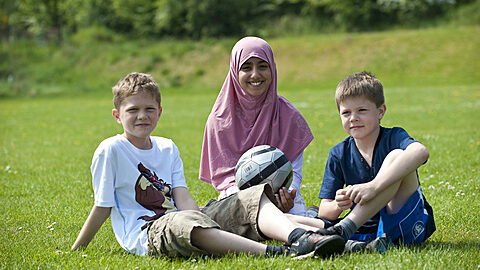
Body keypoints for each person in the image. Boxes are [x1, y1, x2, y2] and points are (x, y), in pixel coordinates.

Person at [71, 72, 345, 258]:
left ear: (160, 112)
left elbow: (182, 197)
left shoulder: (167, 147)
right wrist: (77, 249)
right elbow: (103, 206)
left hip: (185, 215)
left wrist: (208, 213)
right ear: (117, 115)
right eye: (133, 110)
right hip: (150, 234)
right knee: (186, 222)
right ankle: (278, 252)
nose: (142, 116)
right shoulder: (111, 150)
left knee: (248, 198)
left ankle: (320, 234)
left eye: (149, 109)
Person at [315, 71, 436, 252]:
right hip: (367, 232)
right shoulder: (338, 153)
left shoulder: (394, 136)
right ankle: (351, 237)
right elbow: (324, 211)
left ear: (380, 111)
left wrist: (373, 186)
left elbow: (420, 152)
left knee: (396, 156)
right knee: (305, 221)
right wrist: (338, 204)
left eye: (361, 110)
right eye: (346, 112)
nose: (353, 118)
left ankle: (345, 229)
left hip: (404, 224)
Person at [199, 37, 313, 216]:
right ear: (234, 72)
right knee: (245, 219)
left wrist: (287, 194)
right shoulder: (219, 119)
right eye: (246, 67)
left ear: (272, 69)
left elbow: (295, 172)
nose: (255, 74)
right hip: (237, 197)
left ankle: (318, 227)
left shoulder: (290, 116)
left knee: (294, 214)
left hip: (281, 196)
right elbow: (227, 182)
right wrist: (257, 198)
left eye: (262, 66)